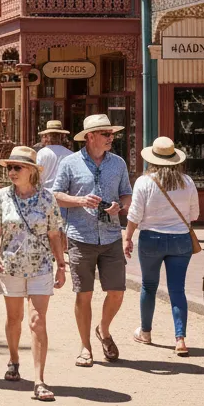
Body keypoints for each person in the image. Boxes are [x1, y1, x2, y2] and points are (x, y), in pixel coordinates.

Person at [50, 113, 133, 367]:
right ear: (90, 137)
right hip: (80, 236)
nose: (111, 138)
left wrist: (120, 206)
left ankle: (103, 330)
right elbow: (55, 195)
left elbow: (127, 195)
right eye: (106, 134)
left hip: (110, 236)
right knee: (83, 294)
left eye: (112, 134)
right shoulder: (70, 163)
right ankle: (85, 347)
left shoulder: (118, 163)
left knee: (117, 292)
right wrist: (80, 200)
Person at [0, 146, 67, 401]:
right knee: (14, 319)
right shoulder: (1, 197)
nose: (11, 171)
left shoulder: (47, 199)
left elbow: (55, 234)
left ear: (31, 171)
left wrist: (61, 265)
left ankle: (40, 380)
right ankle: (13, 359)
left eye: (17, 167)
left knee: (37, 320)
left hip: (41, 267)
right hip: (10, 266)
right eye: (9, 167)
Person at [125, 137, 200, 357]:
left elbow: (135, 215)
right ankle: (180, 339)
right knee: (178, 289)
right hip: (180, 239)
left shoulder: (144, 182)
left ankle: (146, 332)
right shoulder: (187, 182)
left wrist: (127, 237)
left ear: (152, 160)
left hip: (151, 239)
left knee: (149, 286)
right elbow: (194, 214)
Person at [35, 120, 73, 188]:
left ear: (47, 136)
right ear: (61, 136)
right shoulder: (70, 154)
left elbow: (36, 174)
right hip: (64, 194)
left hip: (45, 192)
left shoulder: (42, 153)